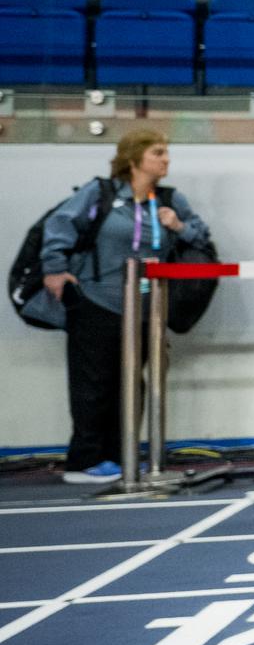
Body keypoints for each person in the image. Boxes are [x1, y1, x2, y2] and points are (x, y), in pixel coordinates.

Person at [38, 130, 209, 484]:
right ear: (134, 159)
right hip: (97, 303)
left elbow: (200, 235)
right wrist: (54, 269)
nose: (166, 160)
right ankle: (84, 461)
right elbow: (59, 224)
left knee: (134, 385)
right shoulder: (101, 194)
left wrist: (177, 225)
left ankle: (122, 456)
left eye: (167, 152)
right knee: (93, 383)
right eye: (158, 152)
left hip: (148, 309)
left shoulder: (170, 199)